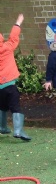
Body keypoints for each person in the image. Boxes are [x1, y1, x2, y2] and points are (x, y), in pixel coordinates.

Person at [0, 13, 31, 141]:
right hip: (9, 85)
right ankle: (18, 130)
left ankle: (2, 127)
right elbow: (13, 37)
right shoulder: (7, 48)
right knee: (15, 107)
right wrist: (18, 22)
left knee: (2, 106)